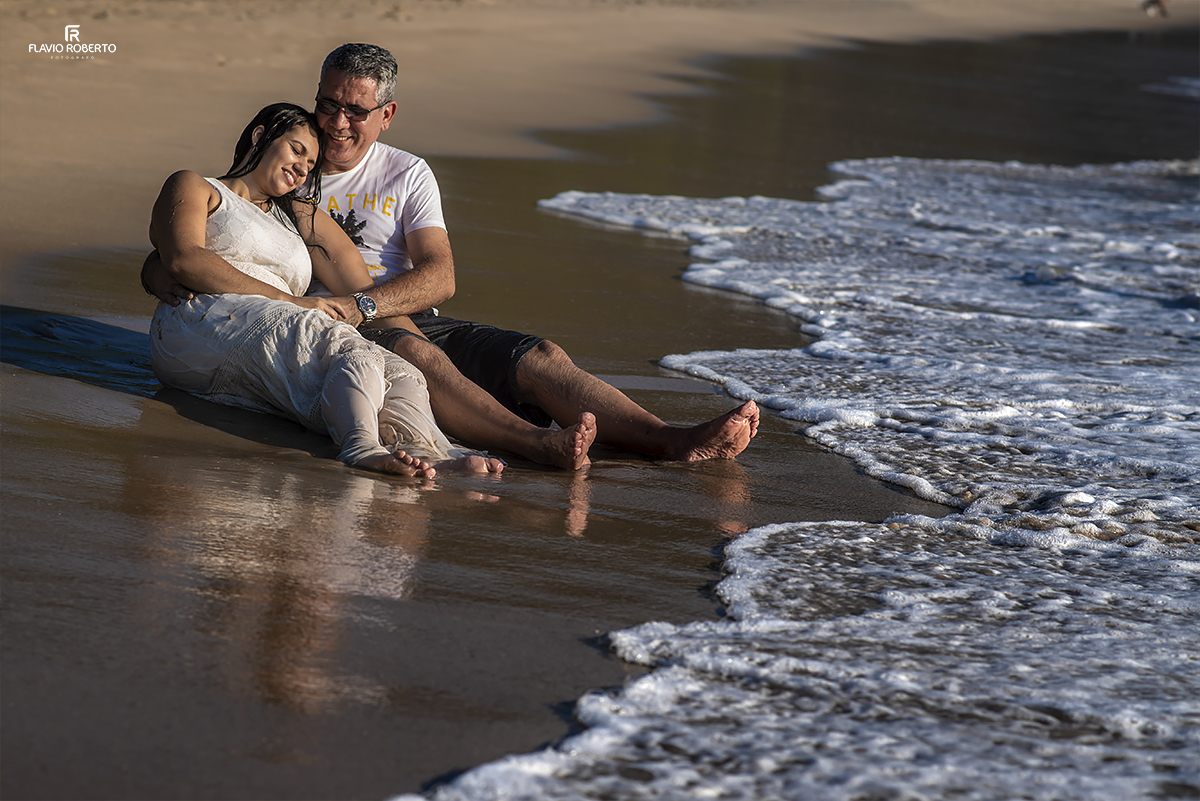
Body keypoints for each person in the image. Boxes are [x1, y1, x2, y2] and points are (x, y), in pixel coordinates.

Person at [145, 44, 759, 463]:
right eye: (326, 104)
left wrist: (362, 303)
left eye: (354, 110)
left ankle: (669, 440)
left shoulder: (407, 174)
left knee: (540, 356)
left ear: (386, 115)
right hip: (329, 324)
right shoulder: (292, 172)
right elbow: (216, 236)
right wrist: (159, 271)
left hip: (385, 309)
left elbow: (440, 276)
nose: (333, 124)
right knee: (411, 349)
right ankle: (530, 443)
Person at [148, 102, 595, 478]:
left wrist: (424, 355)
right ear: (260, 136)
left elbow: (365, 291)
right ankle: (362, 449)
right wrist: (290, 300)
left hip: (266, 333)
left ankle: (437, 452)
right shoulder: (197, 186)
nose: (301, 169)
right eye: (296, 151)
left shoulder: (299, 217)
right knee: (343, 348)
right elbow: (183, 257)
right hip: (202, 322)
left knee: (397, 372)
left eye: (309, 165)